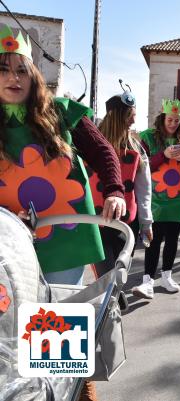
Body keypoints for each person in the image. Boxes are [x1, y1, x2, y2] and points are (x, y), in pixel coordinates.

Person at [0, 26, 125, 286]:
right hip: (7, 243)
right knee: (12, 321)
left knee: (58, 321)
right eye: (3, 70)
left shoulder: (60, 112)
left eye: (22, 70)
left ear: (33, 76)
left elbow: (103, 150)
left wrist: (115, 190)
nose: (14, 78)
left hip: (65, 241)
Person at [133, 99, 180, 298]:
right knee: (153, 240)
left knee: (172, 239)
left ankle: (167, 276)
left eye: (176, 120)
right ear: (163, 118)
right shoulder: (148, 137)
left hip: (179, 198)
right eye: (169, 120)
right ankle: (147, 281)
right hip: (155, 198)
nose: (172, 124)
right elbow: (141, 167)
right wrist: (163, 155)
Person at [91, 89, 153, 278]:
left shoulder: (137, 150)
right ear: (117, 117)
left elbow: (144, 189)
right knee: (106, 277)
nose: (133, 121)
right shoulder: (90, 144)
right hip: (95, 222)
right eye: (129, 116)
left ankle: (115, 301)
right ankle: (114, 302)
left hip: (126, 224)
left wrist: (146, 223)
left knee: (119, 275)